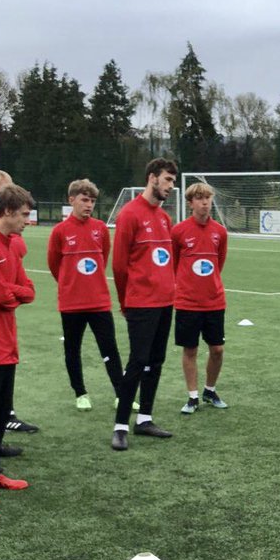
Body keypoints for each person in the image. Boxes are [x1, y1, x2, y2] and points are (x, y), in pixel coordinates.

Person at [111, 157, 177, 451]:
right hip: (141, 303)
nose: (171, 187)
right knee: (137, 362)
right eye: (168, 180)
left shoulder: (164, 218)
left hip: (165, 303)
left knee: (156, 361)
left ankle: (145, 419)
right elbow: (119, 266)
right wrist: (127, 301)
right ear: (152, 178)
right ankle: (121, 426)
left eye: (173, 182)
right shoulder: (129, 214)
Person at [48, 178, 124, 409]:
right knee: (73, 349)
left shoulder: (101, 228)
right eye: (84, 200)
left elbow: (103, 259)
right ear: (72, 200)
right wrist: (71, 285)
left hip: (99, 301)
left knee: (109, 348)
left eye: (91, 200)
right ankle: (80, 393)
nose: (89, 204)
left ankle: (121, 393)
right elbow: (54, 265)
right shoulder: (60, 231)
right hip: (71, 304)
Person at [0, 184, 35, 506]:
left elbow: (28, 290)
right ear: (6, 212)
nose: (27, 221)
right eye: (24, 215)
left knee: (0, 412)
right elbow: (0, 295)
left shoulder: (10, 245)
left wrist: (11, 292)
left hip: (7, 343)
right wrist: (12, 292)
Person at [171, 182, 228, 414]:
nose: (205, 202)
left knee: (217, 350)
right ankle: (192, 396)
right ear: (190, 203)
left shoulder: (220, 232)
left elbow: (219, 263)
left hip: (214, 301)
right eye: (199, 198)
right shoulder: (178, 231)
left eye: (207, 198)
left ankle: (209, 390)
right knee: (190, 350)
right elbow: (173, 264)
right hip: (187, 302)